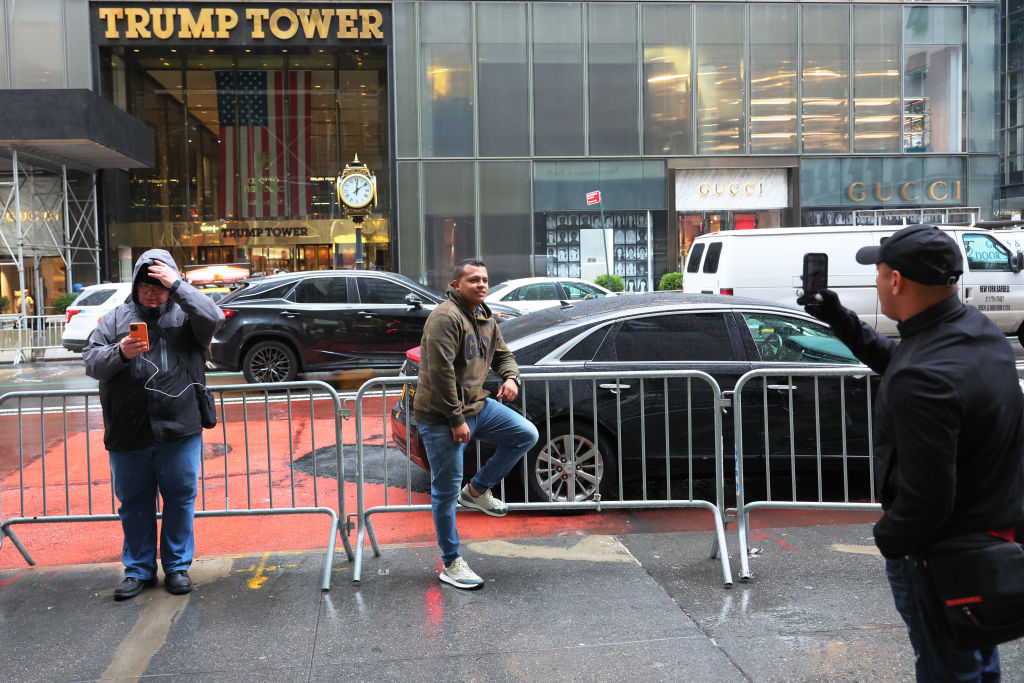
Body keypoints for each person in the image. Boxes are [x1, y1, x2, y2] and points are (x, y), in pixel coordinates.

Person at [799, 225, 1024, 680]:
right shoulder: (976, 331)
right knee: (976, 660)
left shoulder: (923, 375)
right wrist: (839, 318)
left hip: (938, 556)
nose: (877, 281)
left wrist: (891, 540)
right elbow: (900, 358)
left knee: (947, 669)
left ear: (896, 280)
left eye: (880, 273)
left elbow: (928, 498)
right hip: (989, 539)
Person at [83, 250, 225, 600]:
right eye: (146, 286)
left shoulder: (187, 317)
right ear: (135, 285)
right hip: (129, 430)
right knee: (133, 503)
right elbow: (92, 362)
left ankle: (177, 567)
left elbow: (214, 315)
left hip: (180, 428)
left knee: (180, 499)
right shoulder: (114, 319)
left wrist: (178, 285)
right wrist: (120, 351)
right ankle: (139, 570)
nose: (152, 293)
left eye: (160, 287)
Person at [413, 258, 539, 589]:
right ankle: (451, 562)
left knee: (525, 434)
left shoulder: (485, 316)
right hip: (442, 417)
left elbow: (503, 354)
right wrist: (455, 420)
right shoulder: (445, 317)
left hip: (477, 406)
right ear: (456, 285)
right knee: (445, 490)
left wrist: (511, 376)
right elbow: (440, 374)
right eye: (473, 280)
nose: (481, 284)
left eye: (484, 279)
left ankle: (477, 490)